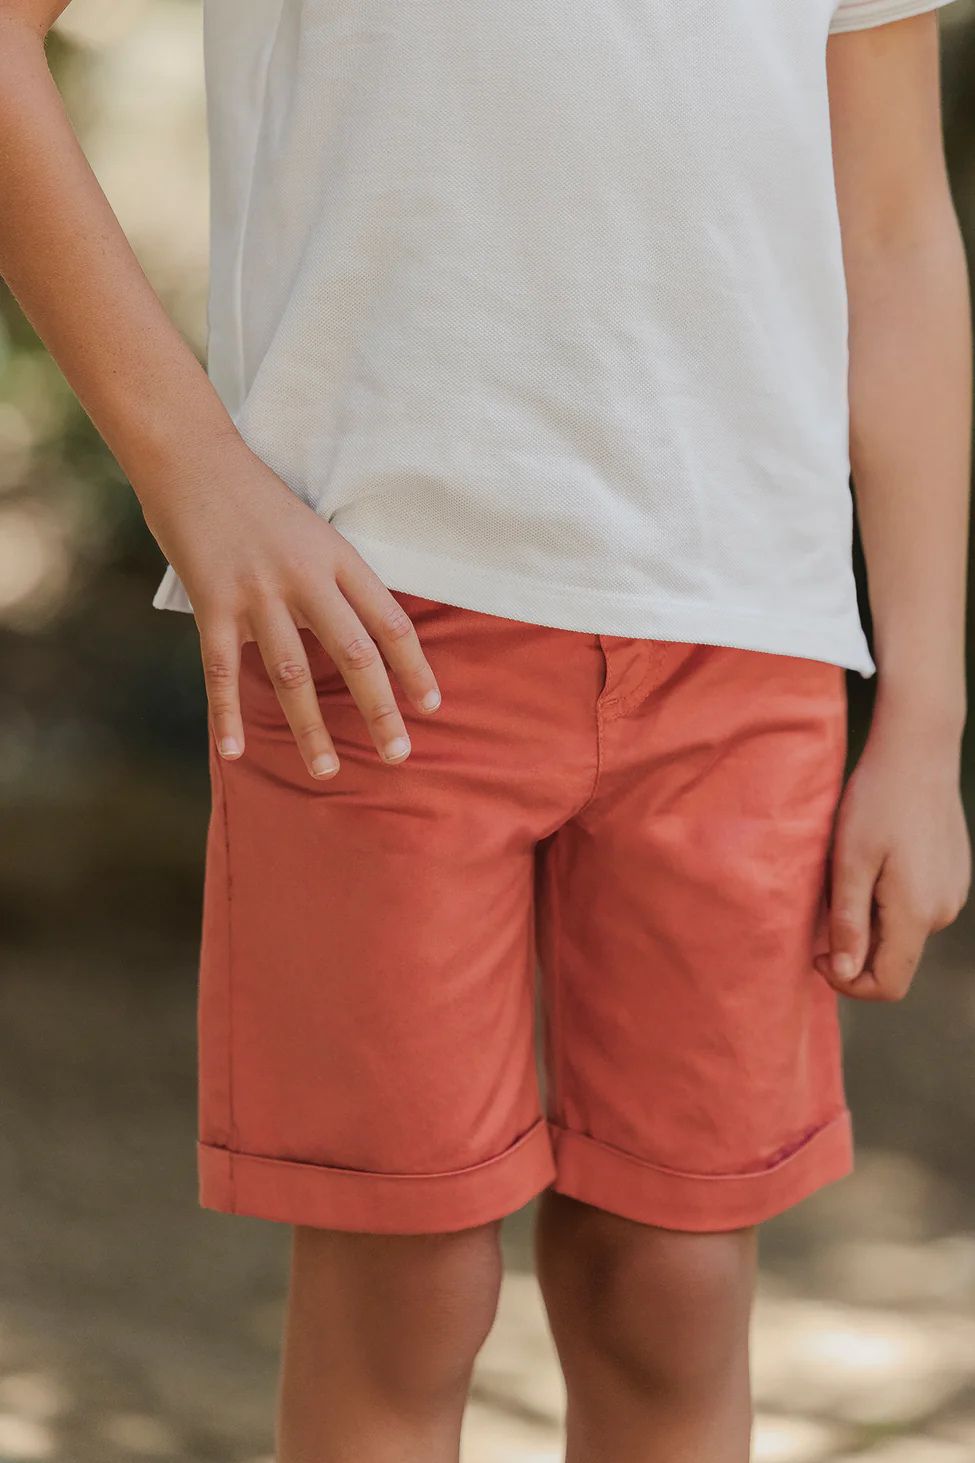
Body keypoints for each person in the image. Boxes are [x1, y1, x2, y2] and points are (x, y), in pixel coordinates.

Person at [1, 0, 971, 1458]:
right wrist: (187, 466)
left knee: (677, 1284)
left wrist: (923, 722)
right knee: (406, 1285)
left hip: (747, 641)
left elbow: (895, 238)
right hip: (368, 627)